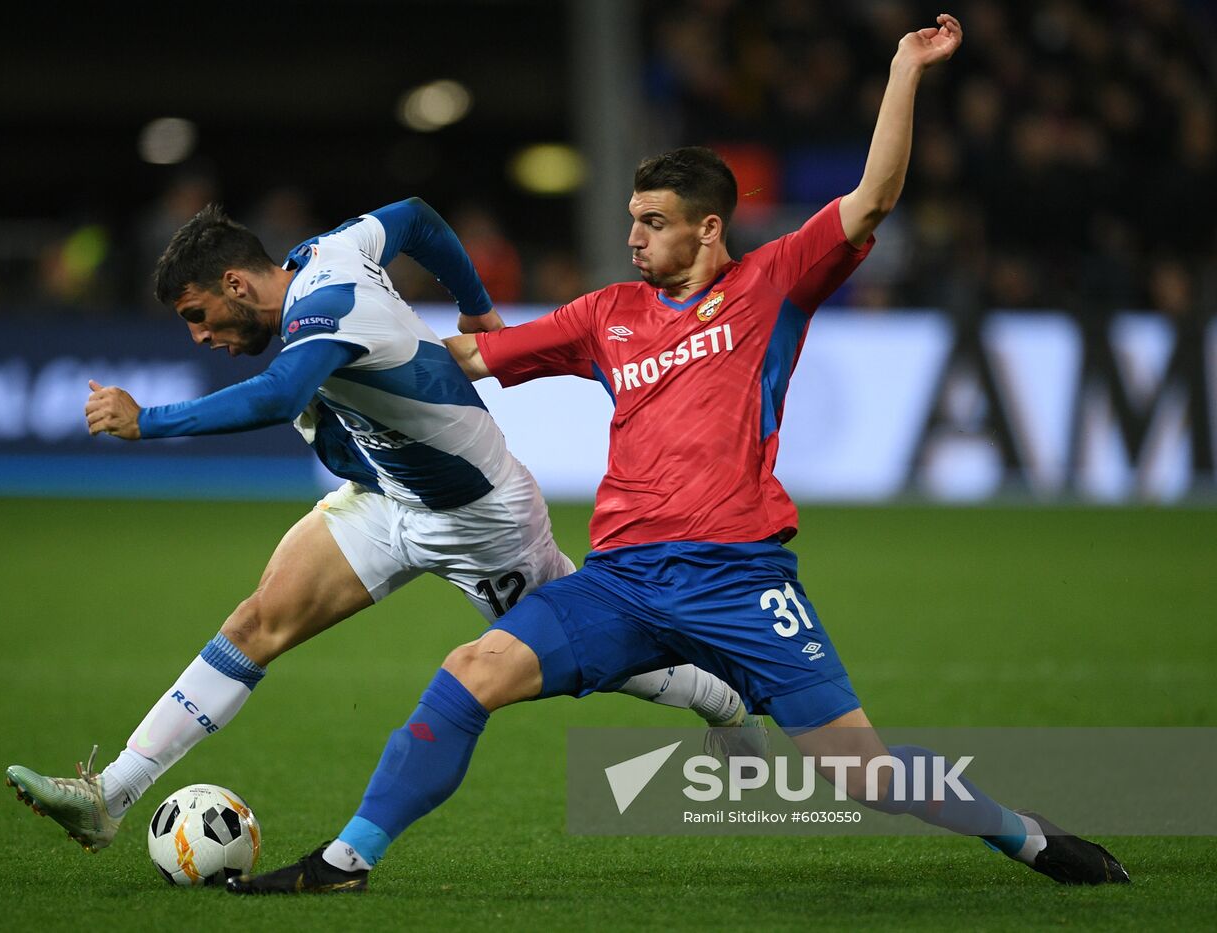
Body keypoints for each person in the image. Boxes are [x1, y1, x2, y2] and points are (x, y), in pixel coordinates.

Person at [226, 14, 1130, 895]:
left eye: (651, 221)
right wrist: (337, 332)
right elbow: (464, 355)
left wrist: (903, 69)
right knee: (470, 673)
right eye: (631, 219)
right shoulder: (605, 314)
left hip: (739, 577)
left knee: (863, 773)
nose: (632, 236)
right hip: (620, 580)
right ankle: (346, 863)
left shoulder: (772, 283)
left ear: (707, 228)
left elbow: (875, 196)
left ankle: (1027, 836)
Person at [5, 196, 764, 853]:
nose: (201, 337)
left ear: (236, 283)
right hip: (386, 497)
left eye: (199, 316)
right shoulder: (330, 250)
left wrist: (149, 421)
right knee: (257, 621)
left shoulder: (326, 306)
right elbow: (417, 219)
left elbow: (274, 397)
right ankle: (111, 795)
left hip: (481, 520)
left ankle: (715, 695)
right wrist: (474, 303)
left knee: (586, 660)